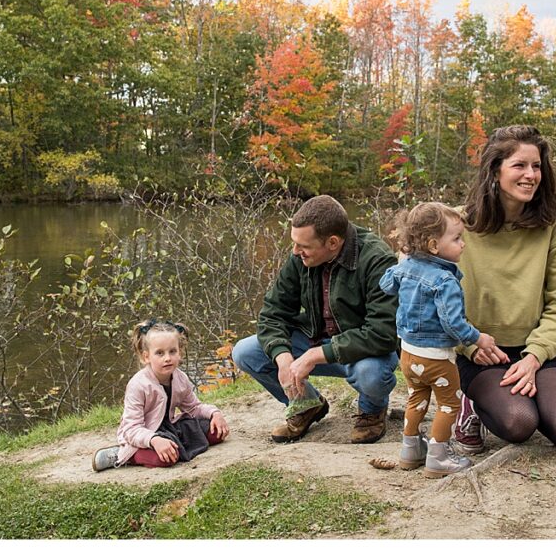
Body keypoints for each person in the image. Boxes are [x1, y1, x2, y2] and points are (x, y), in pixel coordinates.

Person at [452, 125, 556, 454]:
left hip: (534, 351)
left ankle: (529, 392)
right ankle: (468, 404)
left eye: (537, 166)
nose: (531, 175)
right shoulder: (455, 226)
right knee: (518, 422)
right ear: (494, 171)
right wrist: (468, 344)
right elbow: (429, 297)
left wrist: (534, 358)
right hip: (481, 352)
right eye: (519, 165)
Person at [232, 195, 399, 444]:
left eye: (304, 246)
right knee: (246, 352)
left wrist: (314, 356)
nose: (295, 251)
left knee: (371, 375)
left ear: (332, 242)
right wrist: (283, 357)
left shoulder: (377, 259)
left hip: (363, 352)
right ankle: (306, 404)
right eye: (295, 243)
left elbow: (382, 333)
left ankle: (371, 410)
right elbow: (272, 313)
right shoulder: (300, 258)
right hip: (315, 338)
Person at [379, 202, 503, 478]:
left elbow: (385, 284)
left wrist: (403, 257)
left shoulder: (406, 266)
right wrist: (478, 338)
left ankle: (410, 449)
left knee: (416, 398)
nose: (463, 245)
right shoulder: (445, 281)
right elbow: (453, 323)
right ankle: (439, 456)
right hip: (436, 358)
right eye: (457, 239)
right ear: (434, 245)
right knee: (449, 404)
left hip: (408, 355)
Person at [92, 319, 229, 471]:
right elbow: (131, 429)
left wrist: (214, 413)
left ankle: (170, 444)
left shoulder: (180, 378)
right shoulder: (138, 385)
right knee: (168, 458)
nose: (167, 358)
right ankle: (126, 455)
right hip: (143, 434)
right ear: (146, 357)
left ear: (180, 352)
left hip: (169, 428)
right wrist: (154, 439)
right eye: (159, 353)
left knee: (216, 432)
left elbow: (193, 408)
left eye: (172, 351)